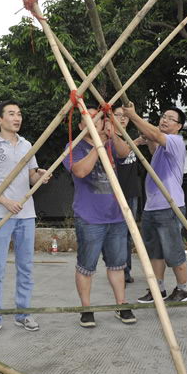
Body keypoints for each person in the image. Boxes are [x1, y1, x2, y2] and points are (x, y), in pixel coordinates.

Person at [0, 100, 50, 338]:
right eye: (11, 114)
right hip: (0, 214)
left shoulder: (27, 144)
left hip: (26, 214)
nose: (17, 118)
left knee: (26, 267)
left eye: (19, 113)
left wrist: (40, 175)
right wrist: (5, 201)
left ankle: (24, 313)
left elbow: (30, 176)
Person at [63, 107, 136, 328]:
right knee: (86, 265)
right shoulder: (73, 146)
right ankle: (86, 309)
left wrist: (113, 135)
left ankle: (121, 304)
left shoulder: (111, 142)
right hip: (89, 217)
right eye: (90, 119)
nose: (95, 122)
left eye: (97, 118)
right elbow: (81, 171)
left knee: (117, 265)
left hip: (116, 215)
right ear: (80, 126)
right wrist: (98, 145)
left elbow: (125, 154)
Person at [122, 104, 187, 303]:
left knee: (173, 250)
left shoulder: (175, 141)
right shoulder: (162, 147)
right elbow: (153, 143)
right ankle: (157, 289)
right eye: (163, 116)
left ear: (179, 126)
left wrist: (133, 116)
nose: (165, 120)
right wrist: (144, 136)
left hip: (169, 206)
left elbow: (156, 135)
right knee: (155, 252)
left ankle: (183, 289)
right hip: (152, 207)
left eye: (171, 119)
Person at [113, 105, 143, 284]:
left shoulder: (128, 137)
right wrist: (137, 142)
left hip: (132, 191)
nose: (123, 119)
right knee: (117, 232)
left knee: (128, 232)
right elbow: (121, 153)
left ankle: (126, 269)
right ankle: (118, 267)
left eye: (125, 116)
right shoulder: (110, 138)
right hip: (116, 192)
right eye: (118, 115)